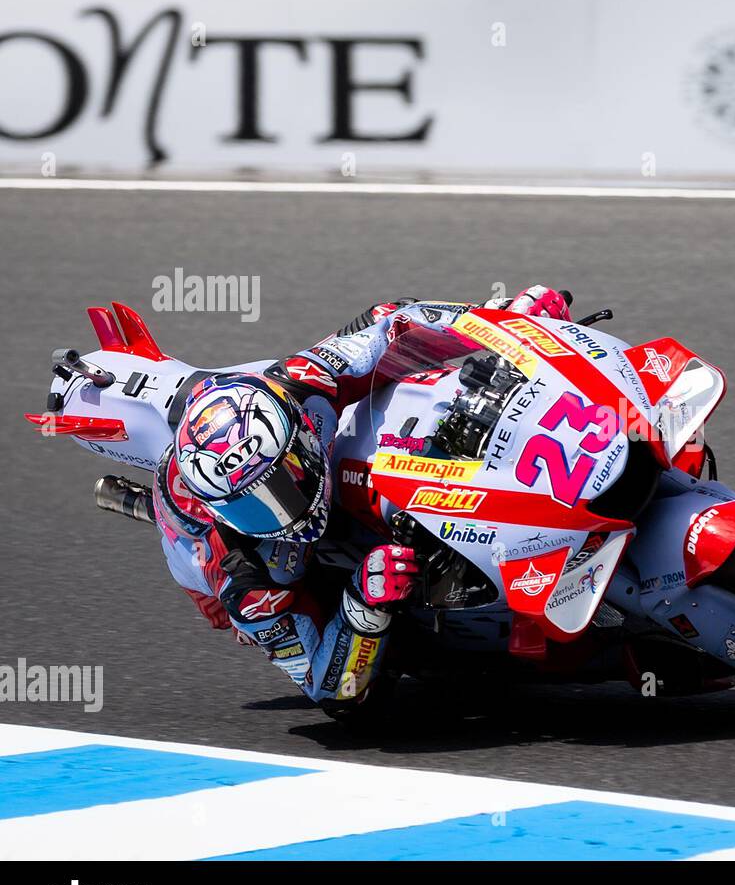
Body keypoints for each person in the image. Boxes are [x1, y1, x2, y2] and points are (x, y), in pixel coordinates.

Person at [151, 286, 571, 717]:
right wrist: (364, 602)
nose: (281, 514)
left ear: (297, 439)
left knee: (393, 329)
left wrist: (505, 322)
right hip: (263, 569)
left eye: (282, 483)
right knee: (377, 692)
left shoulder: (300, 383)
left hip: (349, 449)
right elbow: (332, 690)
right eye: (252, 505)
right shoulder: (249, 586)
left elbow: (396, 324)